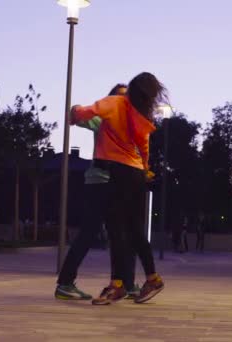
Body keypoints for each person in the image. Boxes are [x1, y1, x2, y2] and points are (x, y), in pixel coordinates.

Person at [71, 72, 167, 305]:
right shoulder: (140, 113)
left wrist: (74, 111)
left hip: (117, 174)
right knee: (134, 229)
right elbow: (143, 148)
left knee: (116, 230)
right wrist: (145, 170)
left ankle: (118, 285)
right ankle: (151, 278)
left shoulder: (114, 102)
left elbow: (83, 114)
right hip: (135, 175)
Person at [55, 84, 140, 300]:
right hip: (99, 182)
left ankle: (125, 284)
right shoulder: (102, 119)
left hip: (119, 184)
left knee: (120, 234)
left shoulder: (131, 124)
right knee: (92, 232)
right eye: (118, 98)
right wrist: (77, 111)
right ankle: (65, 282)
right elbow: (75, 115)